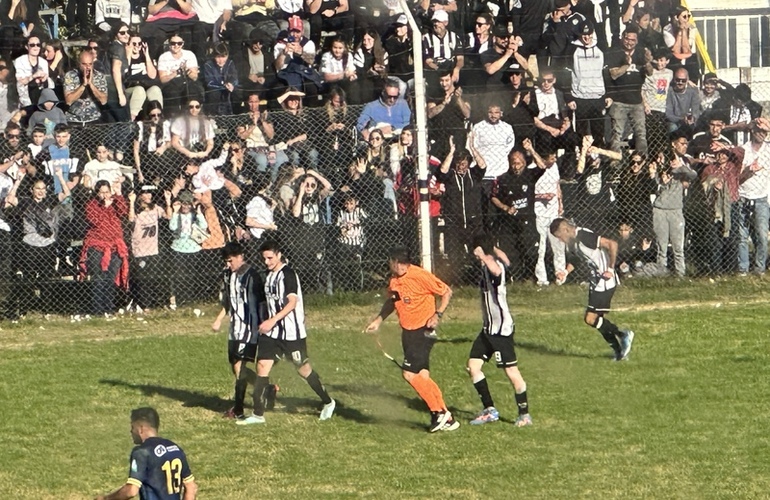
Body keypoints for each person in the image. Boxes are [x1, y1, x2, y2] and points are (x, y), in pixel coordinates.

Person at [236, 239, 336, 424]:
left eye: (270, 258)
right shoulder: (269, 276)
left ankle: (328, 402)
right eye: (264, 258)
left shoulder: (288, 275)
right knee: (262, 367)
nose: (266, 262)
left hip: (292, 334)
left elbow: (292, 303)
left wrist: (273, 320)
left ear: (279, 254)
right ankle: (258, 415)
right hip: (272, 333)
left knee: (303, 370)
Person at [364, 245, 458, 433]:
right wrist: (378, 320)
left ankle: (439, 412)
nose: (389, 265)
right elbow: (392, 302)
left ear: (397, 263)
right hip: (408, 333)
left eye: (391, 262)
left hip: (423, 331)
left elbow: (446, 292)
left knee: (409, 374)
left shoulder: (420, 276)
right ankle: (445, 415)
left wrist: (437, 315)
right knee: (422, 376)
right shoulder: (394, 281)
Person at [466, 234, 532, 427]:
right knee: (473, 366)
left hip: (501, 331)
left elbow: (497, 268)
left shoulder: (494, 266)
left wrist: (484, 254)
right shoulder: (488, 263)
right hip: (488, 329)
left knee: (511, 371)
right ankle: (489, 410)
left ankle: (524, 414)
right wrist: (490, 249)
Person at [550, 218, 635, 361]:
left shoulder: (583, 236)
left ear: (566, 230)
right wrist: (565, 272)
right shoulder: (573, 242)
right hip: (596, 283)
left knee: (590, 318)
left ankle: (623, 335)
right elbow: (577, 259)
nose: (560, 240)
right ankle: (619, 352)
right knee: (595, 319)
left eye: (560, 237)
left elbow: (612, 244)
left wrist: (610, 269)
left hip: (605, 282)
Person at [211, 241, 280, 421]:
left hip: (250, 329)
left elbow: (263, 302)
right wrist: (219, 319)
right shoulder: (227, 275)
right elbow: (228, 301)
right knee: (235, 367)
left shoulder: (252, 276)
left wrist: (265, 325)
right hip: (235, 329)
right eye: (225, 261)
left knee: (240, 368)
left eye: (230, 261)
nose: (228, 265)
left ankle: (239, 409)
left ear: (240, 257)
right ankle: (268, 389)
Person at [94, 407, 198, 500]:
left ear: (141, 429)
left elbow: (131, 491)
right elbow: (191, 487)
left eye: (132, 427)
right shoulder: (175, 449)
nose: (131, 431)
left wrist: (106, 498)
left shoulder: (142, 452)